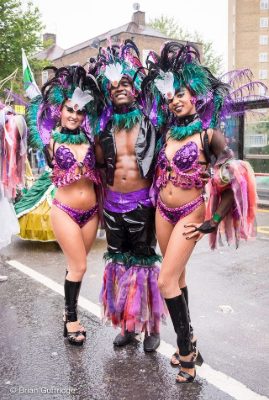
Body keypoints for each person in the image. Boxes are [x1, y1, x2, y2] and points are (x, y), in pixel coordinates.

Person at [144, 42, 258, 382]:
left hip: (190, 214)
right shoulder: (166, 134)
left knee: (164, 280)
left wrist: (215, 219)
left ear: (194, 96)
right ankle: (189, 336)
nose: (175, 100)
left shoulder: (210, 136)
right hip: (162, 212)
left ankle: (186, 353)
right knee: (176, 279)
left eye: (181, 94)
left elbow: (236, 178)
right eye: (169, 97)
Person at [91, 40, 166, 351]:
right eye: (114, 85)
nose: (119, 88)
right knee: (119, 265)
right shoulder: (104, 130)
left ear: (134, 89)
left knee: (145, 266)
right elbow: (96, 165)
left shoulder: (151, 126)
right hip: (112, 205)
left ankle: (152, 328)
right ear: (109, 93)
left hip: (141, 204)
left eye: (125, 83)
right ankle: (128, 327)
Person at [27, 66, 102, 346]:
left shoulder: (91, 140)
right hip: (65, 211)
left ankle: (68, 310)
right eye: (70, 109)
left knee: (76, 266)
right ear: (60, 110)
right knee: (79, 265)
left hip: (91, 213)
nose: (74, 115)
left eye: (80, 111)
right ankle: (71, 319)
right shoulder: (50, 143)